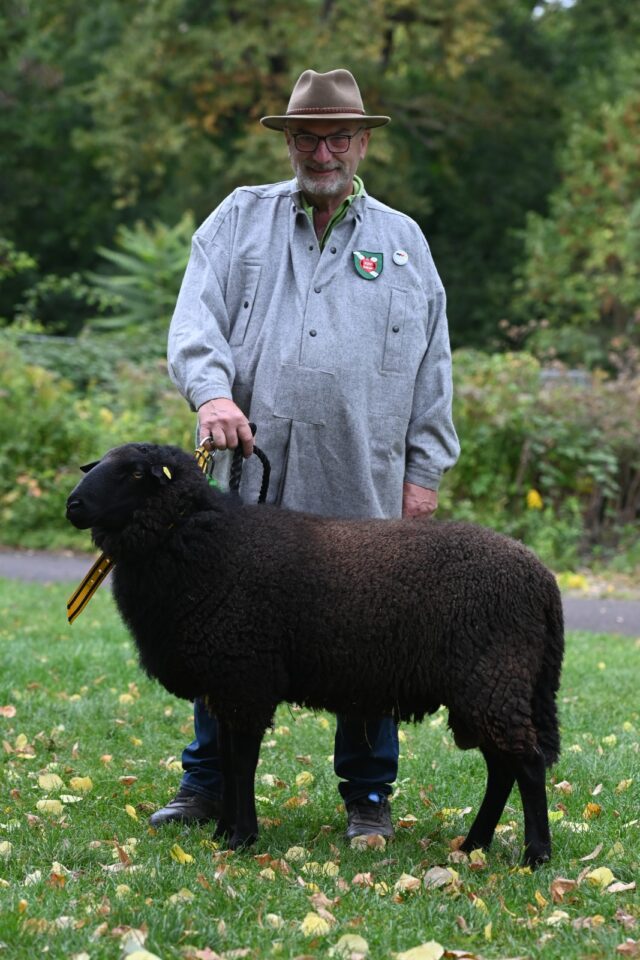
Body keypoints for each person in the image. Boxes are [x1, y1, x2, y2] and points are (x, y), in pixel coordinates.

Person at [156, 68, 460, 840]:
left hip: (362, 474)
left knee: (369, 631)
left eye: (337, 137)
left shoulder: (404, 243)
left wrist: (423, 474)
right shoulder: (237, 220)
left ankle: (368, 794)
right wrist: (212, 393)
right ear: (287, 140)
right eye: (306, 136)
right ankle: (209, 782)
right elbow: (196, 323)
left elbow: (434, 367)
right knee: (225, 627)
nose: (322, 151)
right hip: (249, 471)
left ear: (363, 143)